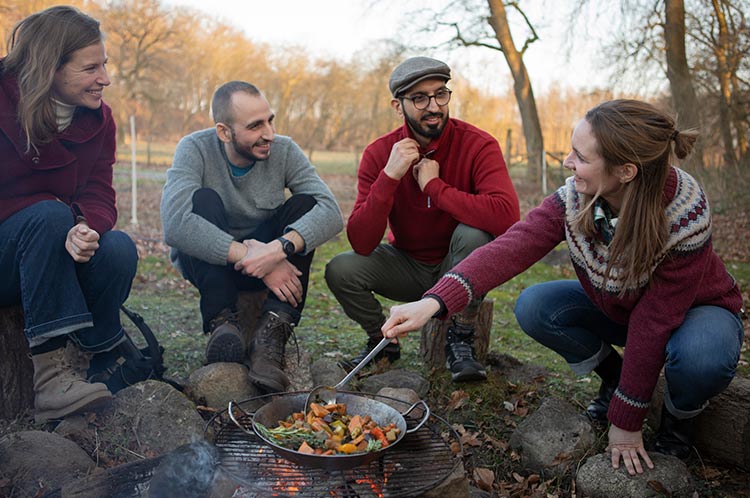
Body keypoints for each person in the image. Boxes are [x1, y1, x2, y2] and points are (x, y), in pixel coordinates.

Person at [381, 99, 744, 475]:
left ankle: (678, 418)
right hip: (621, 307)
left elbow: (656, 318)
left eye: (580, 157)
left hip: (695, 313)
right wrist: (434, 302)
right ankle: (617, 379)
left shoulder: (683, 211)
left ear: (626, 171)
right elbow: (511, 247)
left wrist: (626, 420)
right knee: (536, 306)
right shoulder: (575, 196)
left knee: (702, 357)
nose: (568, 163)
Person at [325, 56, 520, 382]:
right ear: (398, 107)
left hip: (459, 265)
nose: (434, 106)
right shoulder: (379, 153)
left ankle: (460, 338)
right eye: (419, 98)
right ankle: (382, 340)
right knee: (340, 269)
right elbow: (361, 241)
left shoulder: (478, 145)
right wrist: (389, 176)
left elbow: (506, 218)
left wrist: (434, 187)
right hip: (406, 265)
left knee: (475, 236)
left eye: (440, 94)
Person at [0, 6, 138, 422]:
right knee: (47, 217)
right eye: (90, 68)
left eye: (105, 65)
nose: (105, 79)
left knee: (117, 249)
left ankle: (92, 358)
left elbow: (99, 190)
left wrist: (84, 226)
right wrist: (57, 216)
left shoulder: (101, 120)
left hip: (54, 249)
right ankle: (50, 379)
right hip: (6, 257)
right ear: (50, 68)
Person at [160, 81, 343, 393]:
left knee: (305, 205)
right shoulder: (195, 149)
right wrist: (251, 256)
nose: (269, 133)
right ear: (224, 132)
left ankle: (271, 335)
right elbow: (175, 224)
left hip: (266, 254)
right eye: (255, 126)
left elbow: (331, 213)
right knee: (202, 201)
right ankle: (223, 325)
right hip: (212, 268)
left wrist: (277, 250)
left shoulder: (284, 151)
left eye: (270, 120)